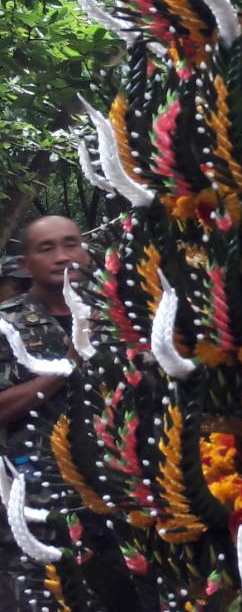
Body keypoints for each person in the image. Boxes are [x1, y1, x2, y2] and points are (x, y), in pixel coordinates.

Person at [0, 216, 87, 607]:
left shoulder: (119, 316)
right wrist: (67, 365)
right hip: (38, 501)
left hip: (119, 495)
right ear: (24, 264)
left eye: (71, 244)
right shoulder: (8, 324)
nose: (62, 256)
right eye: (46, 248)